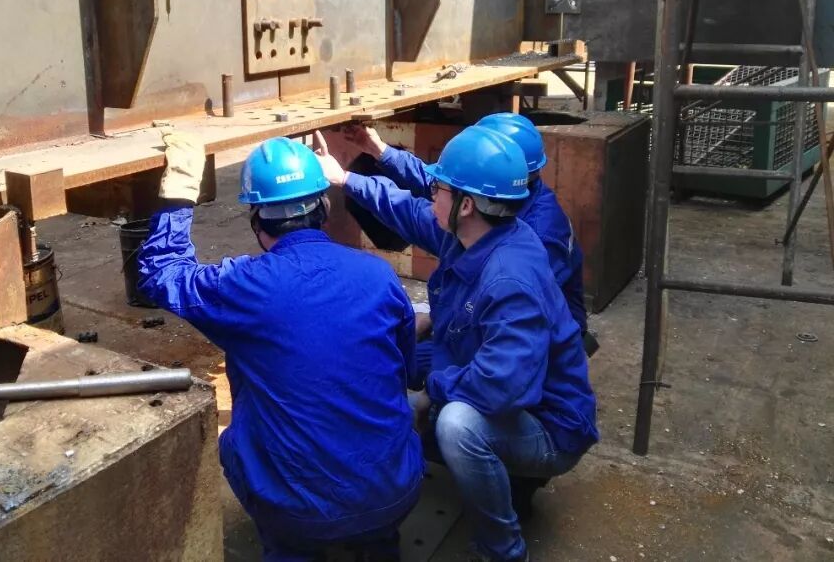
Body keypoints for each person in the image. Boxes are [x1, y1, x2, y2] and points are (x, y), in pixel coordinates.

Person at [314, 127, 598, 562]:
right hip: (475, 359)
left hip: (549, 424)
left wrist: (430, 395)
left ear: (466, 205)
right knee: (387, 353)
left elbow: (500, 387)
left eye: (438, 188)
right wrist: (344, 178)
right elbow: (405, 208)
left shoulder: (510, 279)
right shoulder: (476, 232)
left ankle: (502, 548)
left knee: (456, 425)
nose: (430, 194)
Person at [138, 132, 424, 562]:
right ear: (324, 207)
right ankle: (378, 545)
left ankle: (292, 549)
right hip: (393, 495)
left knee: (234, 443)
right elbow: (406, 368)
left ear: (257, 222)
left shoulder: (242, 287)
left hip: (296, 515)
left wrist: (180, 189)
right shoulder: (379, 276)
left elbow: (160, 272)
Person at [341, 115, 593, 351]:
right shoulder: (493, 212)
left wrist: (436, 323)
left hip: (536, 346)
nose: (434, 195)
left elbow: (508, 354)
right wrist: (377, 153)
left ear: (468, 204)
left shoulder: (530, 245)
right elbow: (433, 192)